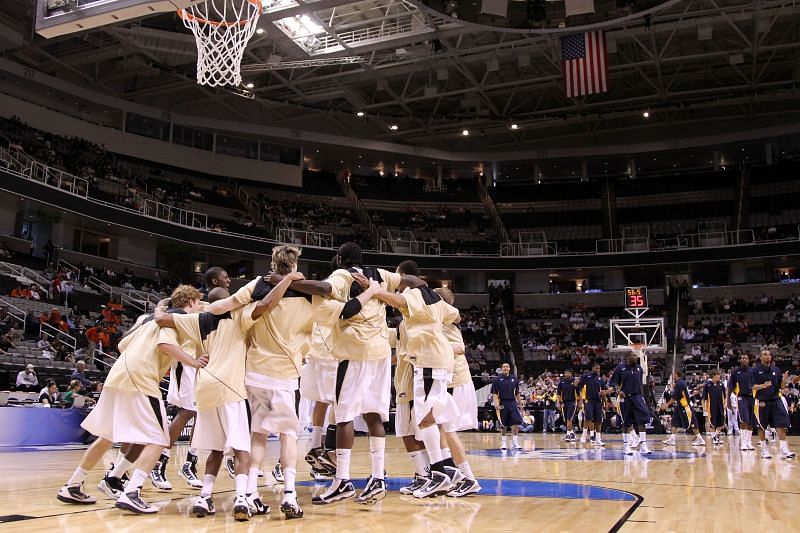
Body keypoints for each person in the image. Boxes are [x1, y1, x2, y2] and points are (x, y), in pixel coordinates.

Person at [57, 285, 207, 514]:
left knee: (107, 436)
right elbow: (165, 344)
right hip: (141, 378)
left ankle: (73, 485)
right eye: (197, 303)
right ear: (189, 303)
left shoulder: (147, 320)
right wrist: (192, 361)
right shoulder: (175, 318)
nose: (198, 307)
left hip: (117, 375)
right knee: (160, 438)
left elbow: (120, 345)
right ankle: (132, 491)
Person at [155, 283, 286, 521]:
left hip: (205, 389)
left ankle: (205, 497)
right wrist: (285, 280)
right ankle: (240, 498)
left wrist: (159, 306)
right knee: (241, 449)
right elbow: (267, 304)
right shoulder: (239, 315)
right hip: (229, 388)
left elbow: (162, 320)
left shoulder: (199, 320)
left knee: (216, 449)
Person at [308, 243, 414, 505]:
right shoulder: (380, 273)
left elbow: (323, 289)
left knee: (343, 416)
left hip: (354, 353)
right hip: (380, 354)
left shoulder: (342, 275)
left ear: (340, 258)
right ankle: (378, 477)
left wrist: (290, 282)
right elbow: (413, 280)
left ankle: (342, 481)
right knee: (374, 415)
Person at [371, 260, 461, 499]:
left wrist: (375, 291)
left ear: (403, 277)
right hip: (436, 359)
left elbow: (400, 301)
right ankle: (443, 472)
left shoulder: (414, 294)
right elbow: (457, 315)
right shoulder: (435, 298)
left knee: (425, 420)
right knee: (427, 419)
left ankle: (439, 474)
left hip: (429, 360)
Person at [752, 350, 795, 459]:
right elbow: (751, 387)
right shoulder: (755, 370)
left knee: (781, 424)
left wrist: (784, 379)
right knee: (762, 426)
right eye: (765, 355)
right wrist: (763, 386)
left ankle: (784, 449)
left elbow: (782, 387)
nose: (768, 356)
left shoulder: (776, 369)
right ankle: (764, 450)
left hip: (776, 400)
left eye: (769, 355)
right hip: (762, 401)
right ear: (761, 358)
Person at [609, 351, 652, 455]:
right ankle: (626, 446)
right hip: (625, 398)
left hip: (637, 397)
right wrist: (619, 391)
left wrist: (642, 396)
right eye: (633, 355)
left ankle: (643, 445)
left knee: (643, 419)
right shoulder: (620, 368)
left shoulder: (639, 368)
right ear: (627, 357)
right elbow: (614, 382)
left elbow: (640, 384)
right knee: (625, 422)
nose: (636, 357)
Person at [661, 370, 704, 447]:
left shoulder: (679, 384)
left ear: (677, 375)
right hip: (679, 406)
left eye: (674, 374)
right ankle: (672, 439)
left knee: (691, 423)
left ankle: (700, 439)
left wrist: (666, 405)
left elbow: (674, 398)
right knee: (674, 421)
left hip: (685, 406)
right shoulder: (680, 383)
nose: (672, 376)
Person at [492, 363, 524, 451]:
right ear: (501, 368)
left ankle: (515, 442)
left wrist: (520, 403)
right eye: (503, 367)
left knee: (516, 421)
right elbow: (494, 393)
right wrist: (496, 403)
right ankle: (503, 443)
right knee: (503, 424)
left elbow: (517, 392)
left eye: (507, 367)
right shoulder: (497, 380)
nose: (505, 368)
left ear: (509, 368)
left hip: (512, 402)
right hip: (502, 402)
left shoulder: (514, 378)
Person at [729, 354, 756, 451]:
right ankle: (743, 443)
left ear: (749, 360)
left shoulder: (753, 371)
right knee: (744, 420)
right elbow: (730, 387)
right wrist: (728, 401)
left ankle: (748, 442)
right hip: (741, 397)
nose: (744, 359)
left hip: (752, 397)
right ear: (740, 360)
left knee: (751, 422)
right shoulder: (736, 372)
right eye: (742, 358)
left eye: (746, 358)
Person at [578, 362, 607, 446]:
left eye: (599, 368)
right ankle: (583, 436)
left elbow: (604, 392)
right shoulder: (586, 376)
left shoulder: (600, 379)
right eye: (596, 368)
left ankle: (598, 439)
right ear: (593, 368)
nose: (598, 370)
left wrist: (606, 403)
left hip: (598, 402)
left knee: (598, 421)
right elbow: (579, 388)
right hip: (588, 401)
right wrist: (580, 400)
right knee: (588, 418)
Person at [703, 369, 727, 446]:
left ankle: (716, 435)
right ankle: (714, 438)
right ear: (713, 376)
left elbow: (725, 396)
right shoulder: (707, 385)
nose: (719, 377)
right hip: (711, 407)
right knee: (712, 423)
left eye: (719, 376)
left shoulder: (721, 384)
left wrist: (725, 404)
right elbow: (704, 398)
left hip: (721, 407)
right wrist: (704, 408)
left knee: (721, 423)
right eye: (717, 376)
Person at [557, 370, 578, 442]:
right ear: (564, 374)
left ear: (571, 374)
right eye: (566, 373)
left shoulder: (574, 381)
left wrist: (580, 402)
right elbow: (558, 393)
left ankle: (568, 434)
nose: (567, 374)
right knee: (566, 419)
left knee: (569, 419)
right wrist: (558, 402)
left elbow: (579, 392)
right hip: (564, 402)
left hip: (572, 402)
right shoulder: (561, 382)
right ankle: (572, 433)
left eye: (568, 373)